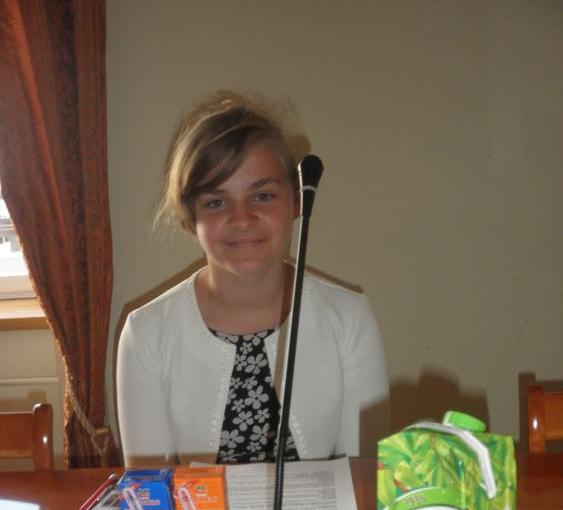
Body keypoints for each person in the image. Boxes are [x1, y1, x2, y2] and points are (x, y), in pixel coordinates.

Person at [116, 91, 388, 467]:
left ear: (296, 202)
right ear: (189, 218)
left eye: (262, 196)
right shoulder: (145, 335)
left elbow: (363, 480)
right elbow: (151, 493)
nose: (242, 220)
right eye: (216, 202)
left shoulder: (350, 318)